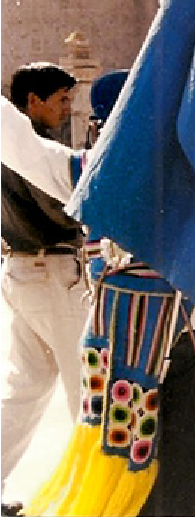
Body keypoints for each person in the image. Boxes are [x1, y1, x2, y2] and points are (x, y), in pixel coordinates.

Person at [1, 72, 195, 517]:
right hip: (136, 369)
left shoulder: (163, 179)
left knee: (159, 493)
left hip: (163, 365)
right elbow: (20, 145)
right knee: (147, 495)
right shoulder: (99, 176)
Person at [0, 62, 85, 517]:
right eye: (61, 100)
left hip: (19, 272)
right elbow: (67, 212)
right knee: (86, 389)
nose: (67, 108)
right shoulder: (35, 151)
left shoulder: (8, 145)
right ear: (33, 102)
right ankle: (97, 494)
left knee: (27, 387)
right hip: (53, 275)